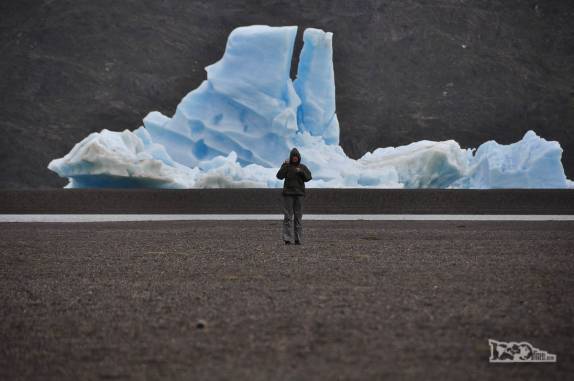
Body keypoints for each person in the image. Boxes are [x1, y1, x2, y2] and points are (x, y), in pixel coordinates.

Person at [276, 147, 312, 245]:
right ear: (291, 157)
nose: (295, 158)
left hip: (299, 194)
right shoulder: (287, 167)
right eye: (293, 156)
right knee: (288, 217)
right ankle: (287, 238)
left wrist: (301, 172)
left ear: (299, 157)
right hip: (288, 194)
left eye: (296, 157)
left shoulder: (302, 167)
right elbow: (279, 176)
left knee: (298, 217)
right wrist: (283, 165)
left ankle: (298, 239)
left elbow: (309, 177)